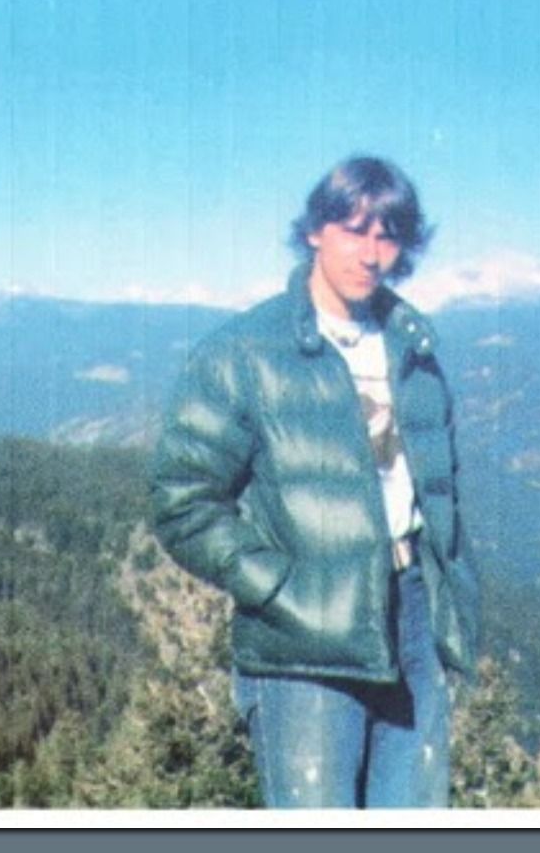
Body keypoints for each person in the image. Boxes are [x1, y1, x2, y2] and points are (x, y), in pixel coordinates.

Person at [151, 155, 479, 808]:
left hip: (414, 618)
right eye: (354, 230)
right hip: (303, 642)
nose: (372, 254)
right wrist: (276, 587)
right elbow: (183, 503)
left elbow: (442, 495)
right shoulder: (244, 353)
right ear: (315, 231)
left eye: (388, 236)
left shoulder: (412, 347)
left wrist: (454, 611)